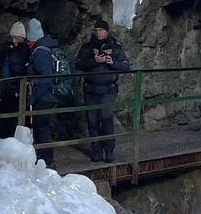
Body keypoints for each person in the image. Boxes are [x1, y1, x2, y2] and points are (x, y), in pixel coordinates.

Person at [76, 21, 133, 163]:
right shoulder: (87, 48)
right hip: (90, 90)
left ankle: (108, 150)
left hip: (108, 90)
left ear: (107, 31)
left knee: (106, 118)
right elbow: (78, 64)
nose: (98, 33)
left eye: (101, 30)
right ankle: (97, 151)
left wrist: (112, 62)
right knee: (92, 121)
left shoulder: (115, 48)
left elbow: (125, 66)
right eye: (96, 30)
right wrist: (94, 60)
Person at [17, 19, 68, 166]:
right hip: (48, 95)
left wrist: (34, 91)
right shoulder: (47, 47)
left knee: (41, 128)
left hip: (43, 96)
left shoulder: (40, 52)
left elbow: (46, 75)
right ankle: (44, 159)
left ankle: (47, 161)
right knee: (42, 128)